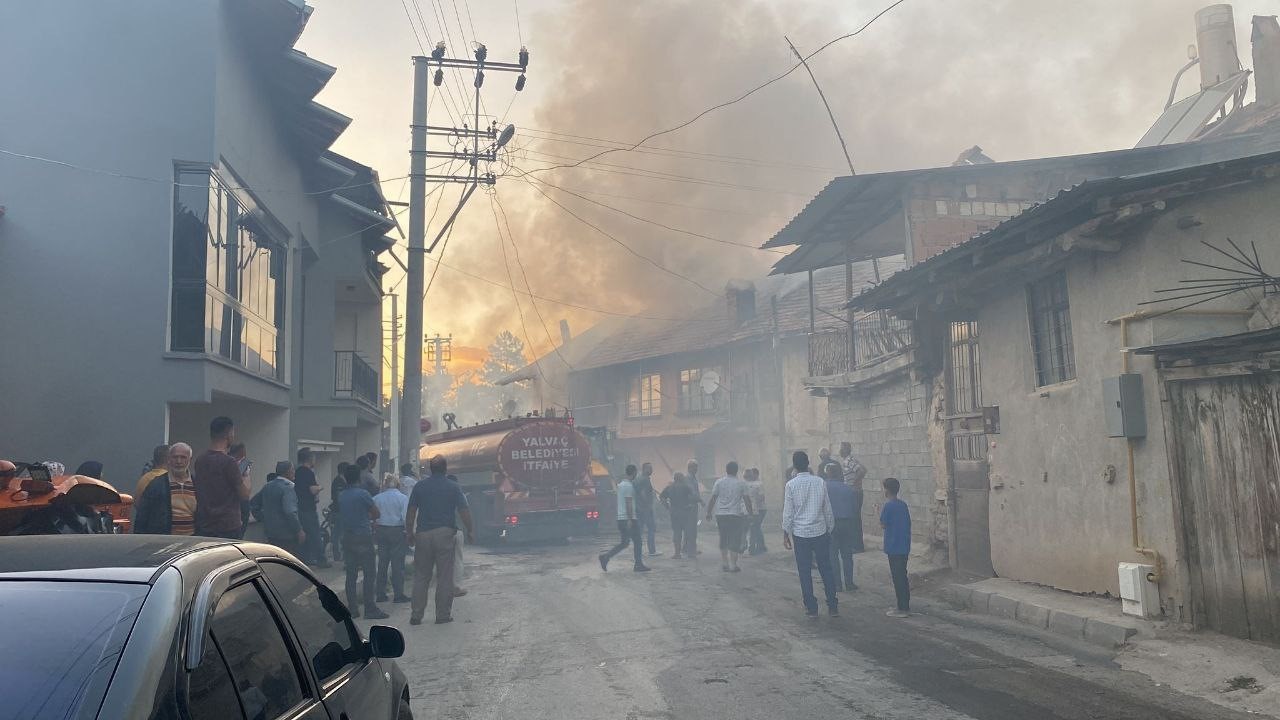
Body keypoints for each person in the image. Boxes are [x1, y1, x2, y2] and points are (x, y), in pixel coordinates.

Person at [406, 455, 475, 625]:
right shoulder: (453, 487)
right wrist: (470, 530)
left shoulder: (420, 486)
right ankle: (442, 615)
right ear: (446, 469)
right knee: (444, 577)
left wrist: (409, 532)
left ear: (430, 469)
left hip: (423, 535)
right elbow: (464, 510)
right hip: (445, 534)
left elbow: (411, 511)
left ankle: (416, 615)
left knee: (421, 576)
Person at [781, 450, 838, 618]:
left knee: (804, 571)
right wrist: (830, 528)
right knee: (826, 568)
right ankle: (833, 605)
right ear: (808, 464)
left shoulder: (790, 485)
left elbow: (788, 512)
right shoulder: (820, 482)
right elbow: (827, 508)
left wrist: (786, 533)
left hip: (801, 534)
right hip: (820, 531)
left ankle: (811, 607)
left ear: (794, 466)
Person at [338, 464, 389, 619]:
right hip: (363, 536)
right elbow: (376, 513)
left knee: (351, 574)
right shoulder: (363, 494)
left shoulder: (341, 495)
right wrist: (367, 517)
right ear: (359, 478)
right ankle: (370, 608)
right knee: (369, 573)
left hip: (347, 536)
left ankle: (353, 609)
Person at [193, 417, 251, 539]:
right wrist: (246, 475)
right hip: (228, 526)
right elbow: (244, 495)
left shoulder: (200, 460)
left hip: (205, 525)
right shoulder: (229, 462)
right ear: (229, 433)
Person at [134, 443, 197, 535]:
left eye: (183, 457)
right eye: (175, 457)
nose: (179, 461)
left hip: (192, 542)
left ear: (190, 460)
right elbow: (142, 515)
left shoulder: (198, 484)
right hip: (165, 541)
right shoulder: (156, 484)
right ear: (169, 460)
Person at [599, 465, 649, 573]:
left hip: (621, 519)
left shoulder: (620, 485)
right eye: (636, 472)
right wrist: (631, 519)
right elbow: (628, 503)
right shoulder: (628, 486)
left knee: (624, 543)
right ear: (634, 472)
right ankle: (638, 564)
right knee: (638, 542)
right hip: (628, 518)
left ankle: (605, 557)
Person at [706, 461, 753, 573]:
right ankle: (733, 565)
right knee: (734, 539)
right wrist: (750, 514)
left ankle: (725, 563)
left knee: (723, 538)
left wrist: (708, 512)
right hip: (735, 514)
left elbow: (713, 498)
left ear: (726, 470)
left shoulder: (719, 482)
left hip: (721, 515)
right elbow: (747, 500)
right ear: (736, 471)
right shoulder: (741, 484)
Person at [374, 472, 411, 604]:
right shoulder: (402, 498)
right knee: (397, 564)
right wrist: (408, 533)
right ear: (398, 485)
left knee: (382, 563)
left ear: (384, 484)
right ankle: (398, 594)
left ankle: (380, 593)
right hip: (397, 530)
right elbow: (406, 517)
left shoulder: (377, 498)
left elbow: (373, 515)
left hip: (381, 530)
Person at [823, 461, 859, 592]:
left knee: (833, 555)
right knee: (847, 555)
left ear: (828, 474)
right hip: (847, 523)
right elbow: (855, 508)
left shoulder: (824, 487)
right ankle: (849, 583)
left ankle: (837, 584)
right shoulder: (848, 488)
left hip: (832, 524)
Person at [880, 477, 912, 618]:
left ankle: (902, 607)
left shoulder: (888, 506)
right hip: (904, 545)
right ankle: (904, 604)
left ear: (886, 490)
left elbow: (883, 524)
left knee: (897, 577)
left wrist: (877, 512)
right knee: (902, 576)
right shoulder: (903, 505)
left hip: (893, 546)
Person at [259, 461, 304, 556]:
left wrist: (264, 519)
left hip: (270, 533)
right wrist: (299, 530)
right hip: (287, 534)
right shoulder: (288, 488)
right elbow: (290, 512)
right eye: (292, 469)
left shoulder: (268, 486)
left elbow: (254, 504)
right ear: (287, 472)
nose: (294, 472)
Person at [294, 448, 327, 567]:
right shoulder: (308, 472)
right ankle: (321, 559)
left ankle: (305, 558)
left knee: (304, 534)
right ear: (309, 458)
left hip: (298, 507)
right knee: (315, 533)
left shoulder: (296, 472)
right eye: (313, 457)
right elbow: (313, 490)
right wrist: (320, 487)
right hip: (308, 508)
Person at [660, 471, 698, 559]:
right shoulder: (685, 487)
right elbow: (694, 496)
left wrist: (667, 507)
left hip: (674, 513)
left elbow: (662, 497)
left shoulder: (669, 487)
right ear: (681, 478)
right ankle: (690, 553)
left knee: (677, 532)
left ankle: (677, 554)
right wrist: (692, 504)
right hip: (685, 512)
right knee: (688, 532)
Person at [633, 462, 660, 557]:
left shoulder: (637, 478)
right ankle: (652, 551)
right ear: (644, 469)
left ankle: (637, 550)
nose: (651, 470)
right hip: (645, 509)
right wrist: (648, 506)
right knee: (651, 528)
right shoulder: (644, 480)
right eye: (649, 468)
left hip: (638, 508)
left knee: (639, 530)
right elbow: (643, 494)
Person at [329, 461, 350, 561]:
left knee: (340, 533)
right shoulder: (339, 482)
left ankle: (340, 554)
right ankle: (338, 555)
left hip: (340, 511)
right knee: (338, 534)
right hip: (338, 511)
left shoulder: (342, 481)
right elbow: (339, 497)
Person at [744, 467, 768, 555]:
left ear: (756, 474)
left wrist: (754, 504)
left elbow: (761, 497)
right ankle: (761, 546)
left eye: (752, 474)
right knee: (756, 528)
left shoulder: (759, 484)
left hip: (760, 509)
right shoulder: (749, 484)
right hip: (755, 509)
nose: (751, 476)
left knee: (754, 528)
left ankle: (754, 547)